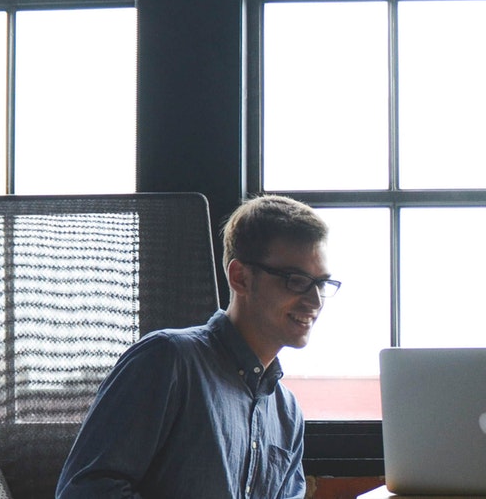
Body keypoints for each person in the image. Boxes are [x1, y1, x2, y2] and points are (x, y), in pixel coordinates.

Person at [56, 194, 337, 499]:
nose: (315, 301)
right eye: (296, 280)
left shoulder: (287, 412)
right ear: (240, 277)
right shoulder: (167, 360)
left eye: (321, 283)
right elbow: (84, 491)